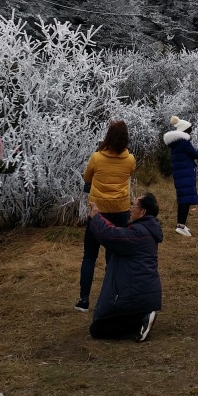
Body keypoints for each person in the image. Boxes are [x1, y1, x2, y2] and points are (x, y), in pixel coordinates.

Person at [75, 121, 136, 312]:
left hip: (97, 211)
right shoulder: (130, 159)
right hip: (120, 211)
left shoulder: (96, 158)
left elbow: (87, 178)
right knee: (114, 256)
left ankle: (84, 300)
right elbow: (129, 174)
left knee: (90, 256)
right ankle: (113, 296)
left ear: (108, 137)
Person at [86, 193, 163, 342]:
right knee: (102, 322)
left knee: (98, 329)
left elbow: (110, 235)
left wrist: (96, 217)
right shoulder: (144, 230)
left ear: (143, 212)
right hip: (141, 291)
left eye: (134, 205)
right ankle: (141, 317)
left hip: (137, 292)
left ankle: (142, 317)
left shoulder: (139, 232)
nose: (130, 208)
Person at [165, 116, 198, 237]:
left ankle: (180, 224)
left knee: (183, 198)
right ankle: (181, 226)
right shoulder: (183, 142)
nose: (191, 131)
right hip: (186, 173)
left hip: (180, 173)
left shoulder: (176, 142)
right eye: (190, 130)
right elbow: (196, 155)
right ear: (185, 130)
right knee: (186, 199)